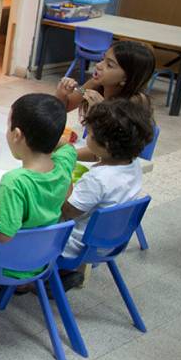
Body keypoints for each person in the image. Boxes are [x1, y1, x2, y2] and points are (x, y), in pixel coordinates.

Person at [0, 93, 79, 287]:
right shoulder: (63, 164)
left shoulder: (15, 182)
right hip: (42, 260)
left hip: (4, 268)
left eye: (8, 126)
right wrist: (50, 134)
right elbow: (67, 147)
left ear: (17, 135)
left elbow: (2, 234)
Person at [60, 99, 153, 259]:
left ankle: (29, 276)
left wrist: (65, 168)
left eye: (89, 134)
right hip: (110, 242)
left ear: (107, 144)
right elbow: (98, 154)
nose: (87, 137)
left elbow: (68, 211)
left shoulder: (97, 180)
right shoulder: (131, 162)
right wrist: (70, 152)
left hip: (74, 246)